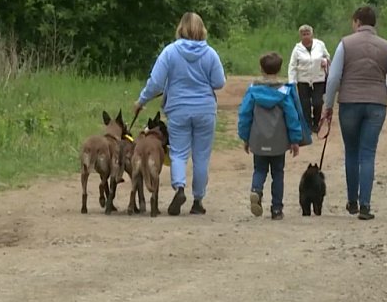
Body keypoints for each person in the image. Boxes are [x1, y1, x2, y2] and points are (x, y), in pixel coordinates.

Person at [134, 12, 226, 216]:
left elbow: (156, 82)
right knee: (201, 156)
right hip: (205, 109)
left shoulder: (170, 52)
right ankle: (198, 201)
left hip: (178, 109)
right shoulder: (210, 53)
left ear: (180, 28)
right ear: (202, 29)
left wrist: (141, 101)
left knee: (178, 152)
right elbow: (219, 82)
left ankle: (180, 187)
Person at [321, 6, 387, 220]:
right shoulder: (386, 46)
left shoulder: (345, 44)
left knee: (352, 152)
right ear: (373, 23)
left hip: (349, 103)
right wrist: (380, 94)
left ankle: (352, 201)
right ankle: (366, 205)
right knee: (368, 154)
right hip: (376, 105)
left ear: (357, 21)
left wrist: (327, 106)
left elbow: (334, 77)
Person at [237, 53, 302, 220]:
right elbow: (292, 117)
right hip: (279, 141)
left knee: (259, 169)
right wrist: (295, 139)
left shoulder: (253, 91)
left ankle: (256, 191)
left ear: (261, 69)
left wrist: (245, 137)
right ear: (280, 69)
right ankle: (277, 209)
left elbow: (245, 115)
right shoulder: (285, 91)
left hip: (258, 139)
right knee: (278, 173)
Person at [287, 24, 330, 134]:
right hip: (303, 80)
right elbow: (292, 66)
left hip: (318, 79)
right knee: (304, 104)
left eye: (308, 34)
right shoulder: (297, 49)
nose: (306, 36)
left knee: (317, 102)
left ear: (312, 34)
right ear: (300, 36)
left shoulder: (320, 45)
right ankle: (307, 125)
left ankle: (316, 123)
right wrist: (292, 82)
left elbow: (327, 56)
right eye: (303, 34)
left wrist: (325, 60)